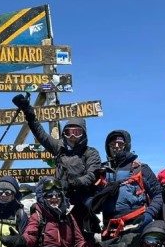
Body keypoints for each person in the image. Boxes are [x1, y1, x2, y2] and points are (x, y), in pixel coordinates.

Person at [11, 94, 100, 238]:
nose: (72, 136)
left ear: (83, 134)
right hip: (59, 195)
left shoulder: (90, 152)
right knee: (39, 211)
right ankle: (29, 240)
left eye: (77, 133)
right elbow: (41, 134)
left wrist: (75, 182)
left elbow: (92, 174)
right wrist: (27, 111)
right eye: (68, 132)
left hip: (81, 196)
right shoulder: (59, 147)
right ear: (64, 133)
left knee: (82, 230)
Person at [88, 129, 163, 247]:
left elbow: (158, 194)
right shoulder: (101, 171)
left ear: (126, 145)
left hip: (135, 229)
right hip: (108, 231)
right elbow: (91, 198)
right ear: (107, 147)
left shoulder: (141, 168)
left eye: (120, 143)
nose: (116, 147)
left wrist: (149, 214)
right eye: (112, 144)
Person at [9, 178, 87, 247]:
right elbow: (31, 234)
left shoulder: (68, 216)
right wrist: (22, 240)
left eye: (58, 195)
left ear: (62, 197)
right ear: (44, 198)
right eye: (50, 195)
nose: (54, 198)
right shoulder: (38, 215)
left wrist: (89, 245)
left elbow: (79, 241)